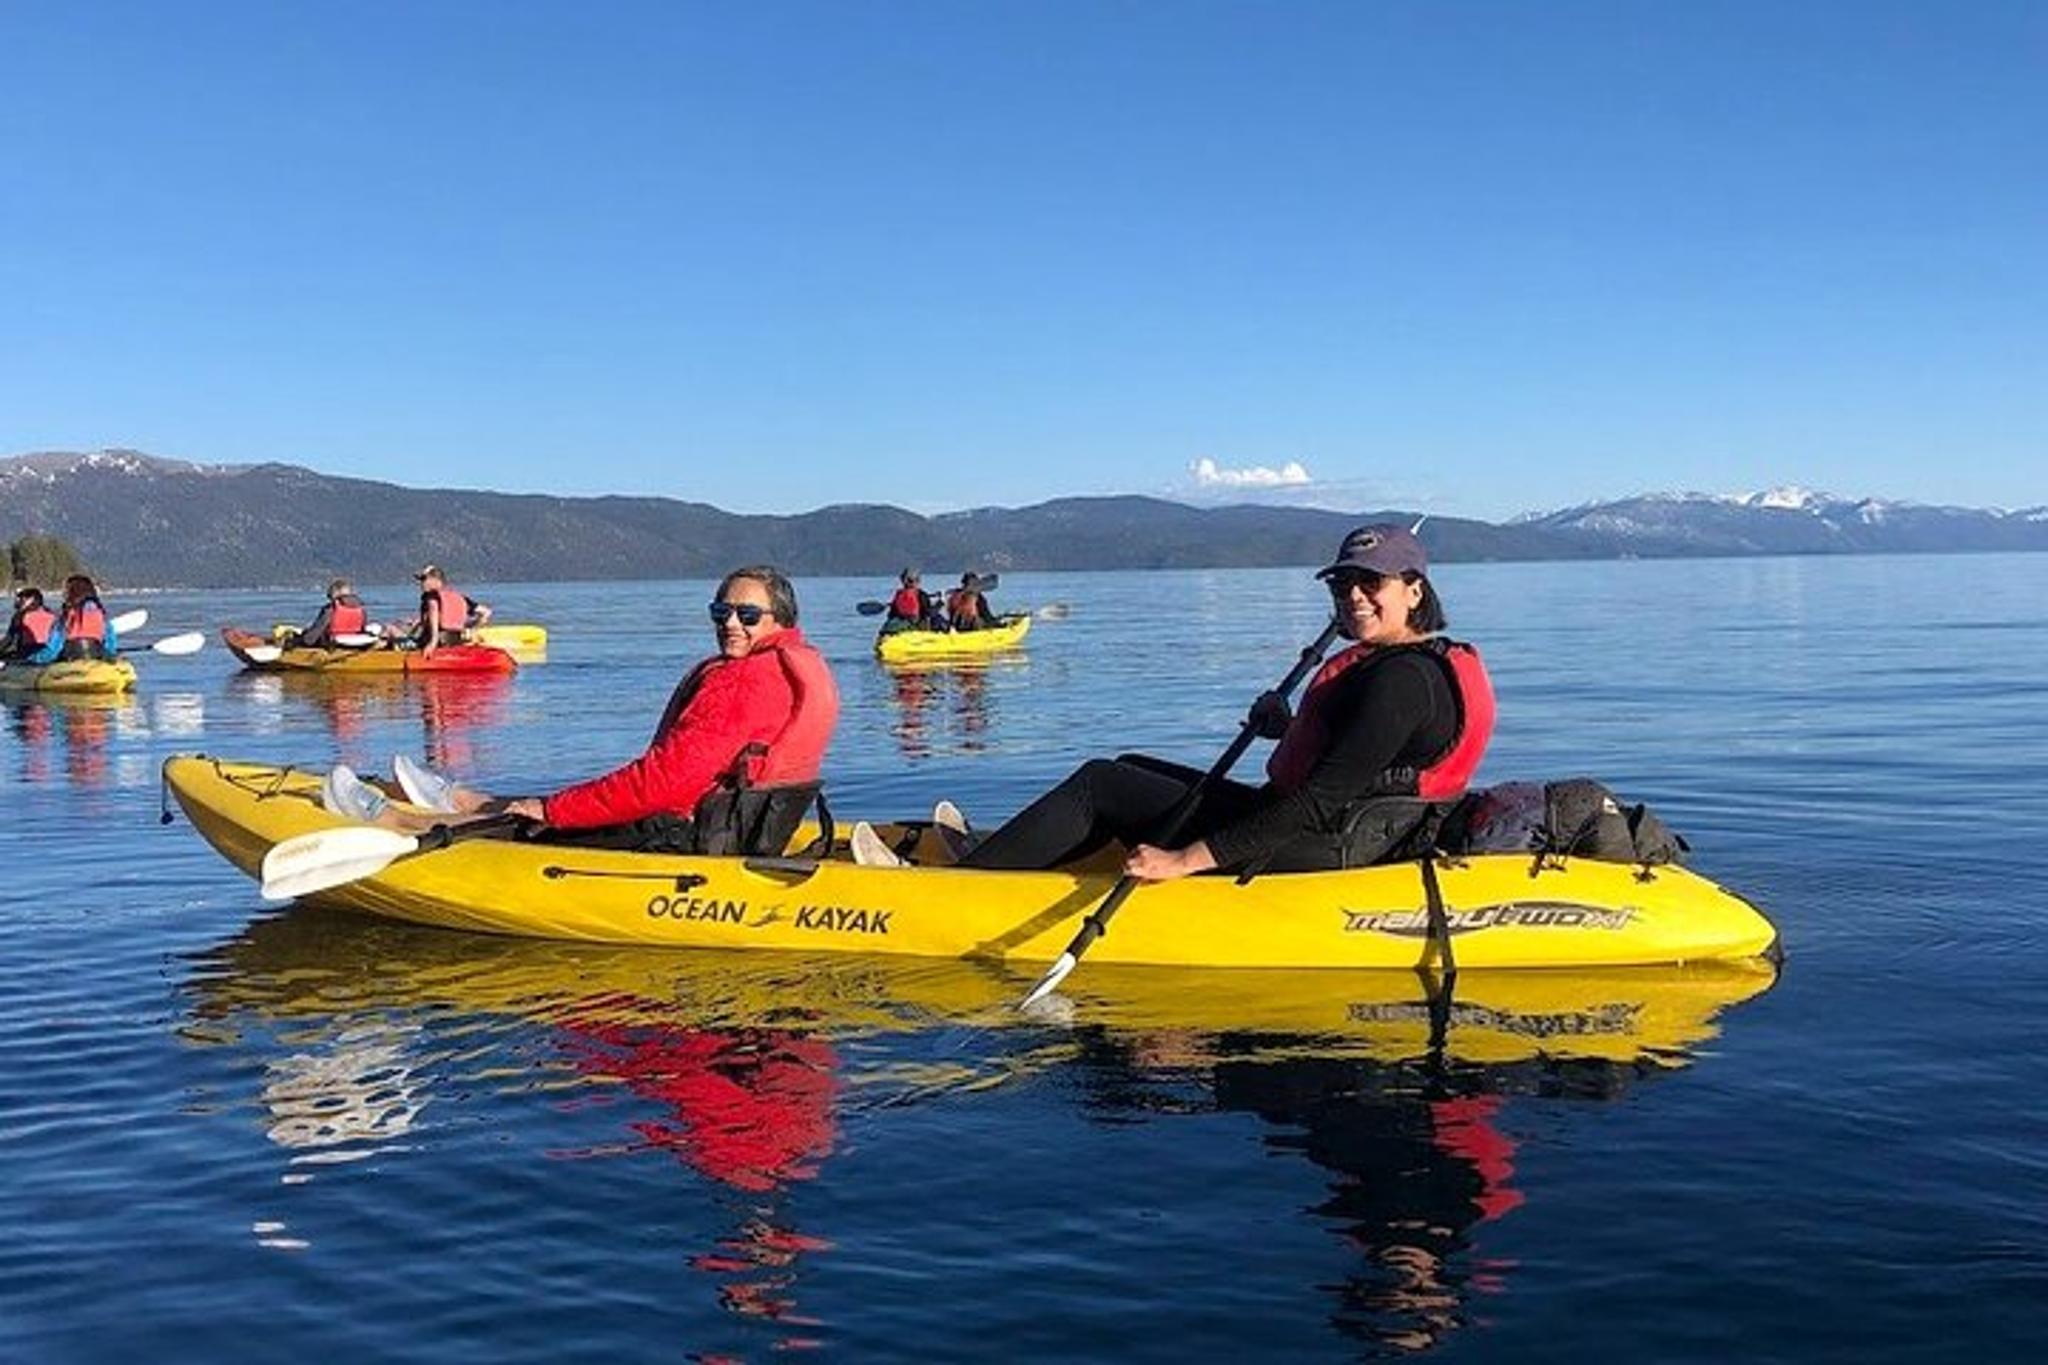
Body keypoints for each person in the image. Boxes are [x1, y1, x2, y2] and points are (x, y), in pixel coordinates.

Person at [853, 524, 1493, 876]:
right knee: (1128, 762)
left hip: (1320, 848)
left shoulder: (1400, 680)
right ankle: (1015, 855)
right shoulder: (1407, 665)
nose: (1353, 596)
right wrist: (1289, 728)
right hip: (1337, 829)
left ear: (1413, 590)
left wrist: (1184, 859)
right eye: (1344, 583)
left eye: (1370, 583)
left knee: (1103, 784)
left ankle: (965, 887)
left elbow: (1319, 799)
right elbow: (1366, 759)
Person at [327, 566, 840, 853]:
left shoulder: (746, 681)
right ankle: (464, 798)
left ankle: (397, 822)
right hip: (740, 829)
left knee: (534, 821)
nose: (730, 622)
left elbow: (665, 783)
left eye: (747, 614)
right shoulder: (789, 667)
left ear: (779, 620)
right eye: (720, 611)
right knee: (540, 805)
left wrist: (554, 811)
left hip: (686, 838)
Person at [409, 565, 493, 658]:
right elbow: (486, 612)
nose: (421, 583)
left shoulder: (430, 596)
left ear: (435, 579)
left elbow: (434, 610)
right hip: (456, 641)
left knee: (391, 631)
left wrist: (433, 642)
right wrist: (469, 627)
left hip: (436, 643)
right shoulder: (460, 598)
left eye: (424, 579)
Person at [289, 578, 373, 649]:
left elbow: (312, 637)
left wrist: (299, 640)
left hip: (333, 645)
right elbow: (362, 630)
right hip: (355, 644)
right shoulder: (361, 610)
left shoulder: (330, 609)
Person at [55, 575, 119, 662]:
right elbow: (111, 645)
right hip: (96, 656)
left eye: (66, 591)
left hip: (70, 658)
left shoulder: (66, 615)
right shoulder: (100, 612)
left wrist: (36, 660)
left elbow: (54, 647)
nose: (63, 594)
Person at [1, 587, 59, 662]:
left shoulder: (20, 616)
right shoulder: (53, 614)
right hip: (49, 654)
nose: (21, 600)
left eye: (24, 598)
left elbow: (8, 640)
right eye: (21, 598)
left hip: (26, 655)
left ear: (35, 600)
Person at [882, 568, 938, 634]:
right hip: (916, 628)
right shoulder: (921, 595)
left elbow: (891, 615)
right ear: (918, 581)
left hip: (902, 627)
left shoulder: (900, 595)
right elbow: (929, 613)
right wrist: (938, 606)